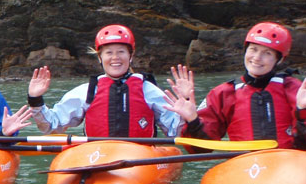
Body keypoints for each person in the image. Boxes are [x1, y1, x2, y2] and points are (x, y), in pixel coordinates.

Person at [164, 22, 306, 150]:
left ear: (279, 59)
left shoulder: (293, 89)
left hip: (287, 166)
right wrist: (193, 120)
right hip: (243, 167)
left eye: (267, 53)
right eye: (253, 49)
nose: (257, 57)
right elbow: (200, 149)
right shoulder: (224, 93)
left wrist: (302, 112)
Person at [26, 24, 182, 137]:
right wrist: (35, 100)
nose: (115, 58)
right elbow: (53, 126)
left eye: (121, 52)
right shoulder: (86, 92)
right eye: (109, 53)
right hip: (99, 155)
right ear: (100, 58)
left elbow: (175, 130)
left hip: (139, 157)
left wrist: (185, 113)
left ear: (131, 56)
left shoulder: (148, 90)